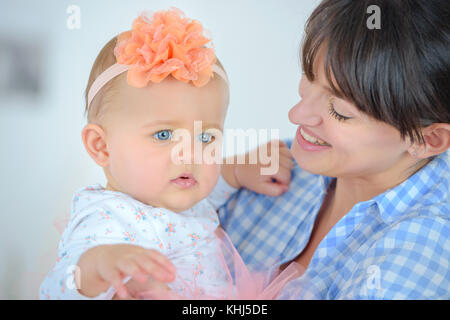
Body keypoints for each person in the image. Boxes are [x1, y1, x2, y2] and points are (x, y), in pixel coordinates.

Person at [39, 8, 294, 300]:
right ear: (102, 146)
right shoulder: (107, 217)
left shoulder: (183, 193)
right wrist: (99, 265)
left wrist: (237, 171)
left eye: (205, 137)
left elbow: (215, 183)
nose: (191, 155)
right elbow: (58, 287)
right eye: (163, 135)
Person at [217, 0, 450, 299]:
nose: (297, 115)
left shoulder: (421, 253)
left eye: (340, 111)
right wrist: (228, 174)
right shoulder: (280, 165)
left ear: (426, 140)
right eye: (309, 78)